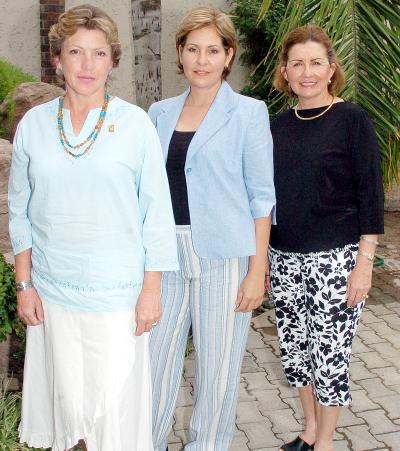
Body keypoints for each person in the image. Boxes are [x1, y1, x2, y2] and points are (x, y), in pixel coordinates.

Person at [8, 4, 178, 450]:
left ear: (113, 60)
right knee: (69, 408)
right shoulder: (34, 126)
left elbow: (155, 213)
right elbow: (20, 209)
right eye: (76, 52)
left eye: (99, 53)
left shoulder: (136, 125)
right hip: (52, 292)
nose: (87, 65)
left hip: (117, 296)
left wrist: (151, 291)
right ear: (57, 59)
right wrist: (23, 284)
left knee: (114, 415)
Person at [148, 6, 276, 450]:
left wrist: (257, 271)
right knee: (153, 364)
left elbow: (262, 198)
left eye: (213, 50)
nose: (202, 60)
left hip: (225, 257)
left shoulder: (248, 113)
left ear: (228, 56)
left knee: (217, 373)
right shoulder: (158, 113)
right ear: (180, 54)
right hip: (165, 256)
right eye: (193, 49)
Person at [268, 24, 384, 451]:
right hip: (283, 256)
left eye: (316, 62)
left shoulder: (352, 119)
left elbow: (370, 193)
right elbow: (266, 197)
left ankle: (327, 442)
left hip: (336, 260)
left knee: (330, 355)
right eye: (297, 63)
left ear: (331, 68)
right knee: (296, 352)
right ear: (285, 71)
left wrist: (364, 265)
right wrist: (261, 259)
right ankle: (309, 428)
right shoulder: (277, 125)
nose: (307, 72)